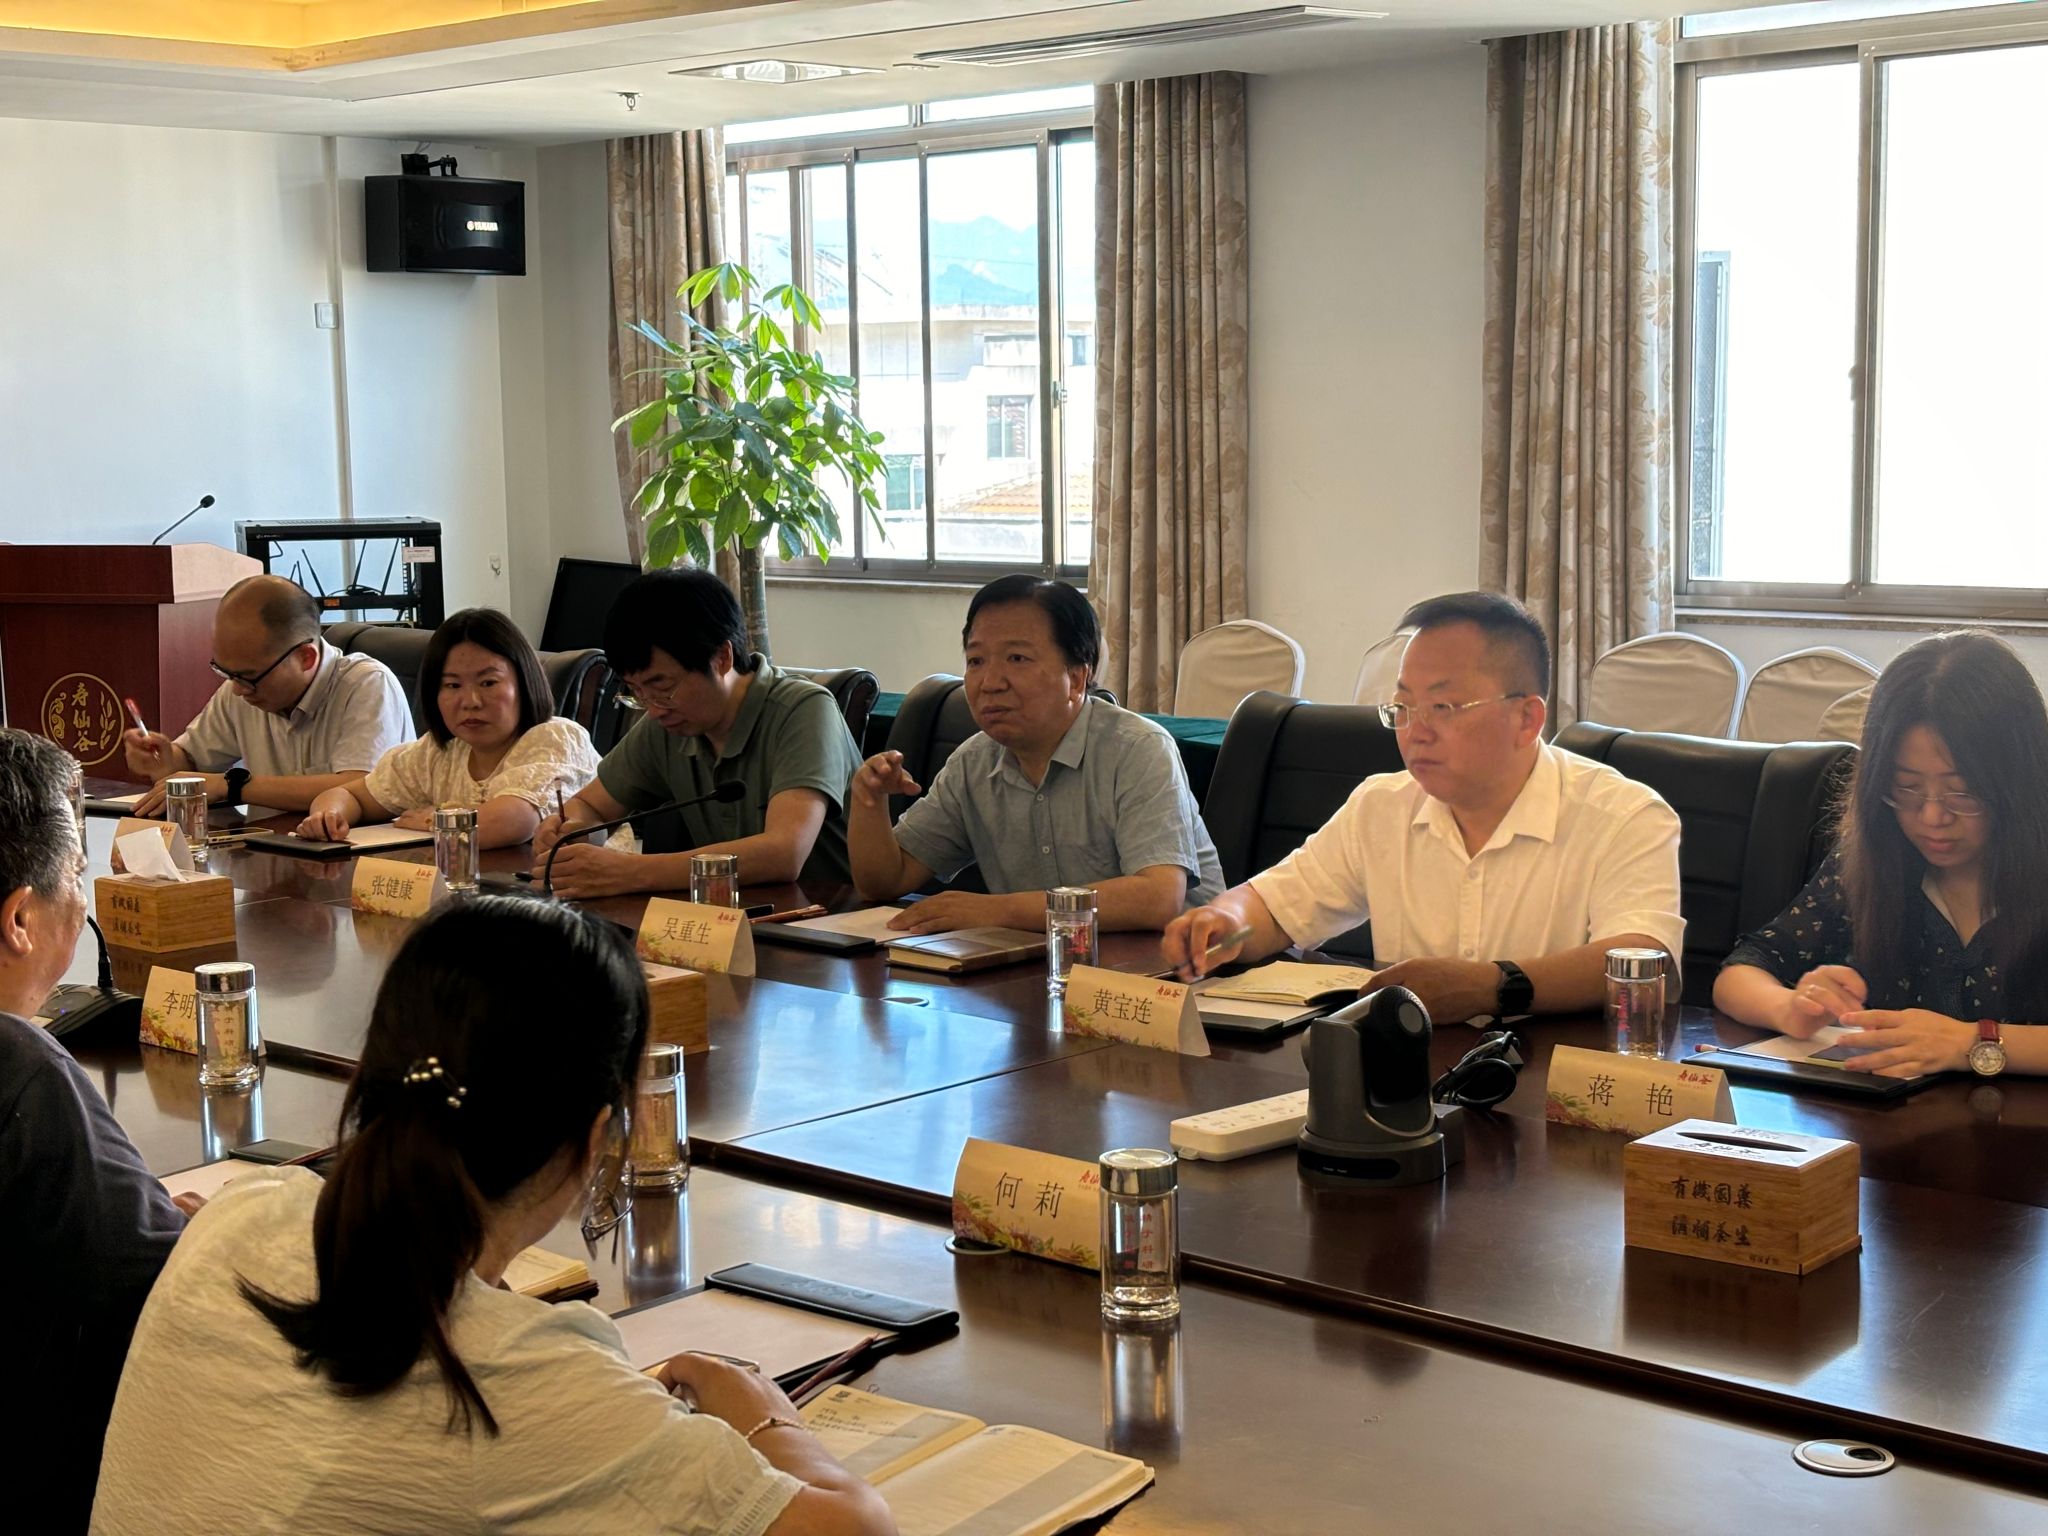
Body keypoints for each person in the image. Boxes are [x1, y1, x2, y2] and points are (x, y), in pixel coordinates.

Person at [91, 899, 894, 1536]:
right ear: (595, 1137)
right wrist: (764, 1417)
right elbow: (856, 1530)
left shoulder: (242, 1215)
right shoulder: (513, 1382)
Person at [1163, 591, 1685, 1023]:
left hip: (1553, 1085)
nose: (1416, 731)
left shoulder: (1624, 815)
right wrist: (1224, 922)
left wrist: (1492, 986)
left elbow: (1645, 959)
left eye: (1443, 707)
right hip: (1410, 1076)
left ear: (1527, 719)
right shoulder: (1382, 805)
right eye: (1403, 707)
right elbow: (1274, 910)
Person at [1714, 631, 2048, 1078]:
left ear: (2018, 782)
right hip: (1896, 1118)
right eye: (1906, 787)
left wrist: (1974, 1042)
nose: (1932, 817)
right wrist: (1791, 1007)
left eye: (1963, 793)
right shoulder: (1874, 857)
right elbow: (1741, 973)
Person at [0, 730, 186, 1534]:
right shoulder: (19, 1072)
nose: (82, 903)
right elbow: (171, 1287)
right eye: (76, 876)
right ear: (19, 918)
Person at [848, 575, 1222, 936]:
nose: (990, 682)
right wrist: (869, 801)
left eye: (1017, 658)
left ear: (1076, 679)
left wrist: (995, 911)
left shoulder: (1138, 749)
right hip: (1045, 966)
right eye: (976, 661)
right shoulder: (973, 762)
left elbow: (1157, 897)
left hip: (1172, 969)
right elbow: (886, 882)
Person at [532, 569, 862, 898]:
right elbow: (590, 806)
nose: (653, 709)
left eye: (663, 686)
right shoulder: (667, 723)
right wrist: (574, 832)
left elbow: (784, 853)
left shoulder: (804, 710)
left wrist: (630, 871)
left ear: (721, 658)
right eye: (636, 691)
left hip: (837, 919)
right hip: (731, 916)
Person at [296, 609, 598, 850]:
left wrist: (433, 819)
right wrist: (329, 815)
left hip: (571, 897)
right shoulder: (439, 752)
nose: (471, 701)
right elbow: (349, 794)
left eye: (488, 683)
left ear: (524, 682)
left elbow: (510, 823)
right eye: (453, 685)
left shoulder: (555, 737)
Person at [123, 574, 413, 814]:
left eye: (248, 677)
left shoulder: (367, 685)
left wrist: (233, 785)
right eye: (226, 671)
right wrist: (165, 760)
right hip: (271, 854)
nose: (237, 689)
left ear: (306, 658)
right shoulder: (242, 689)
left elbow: (359, 789)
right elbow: (193, 764)